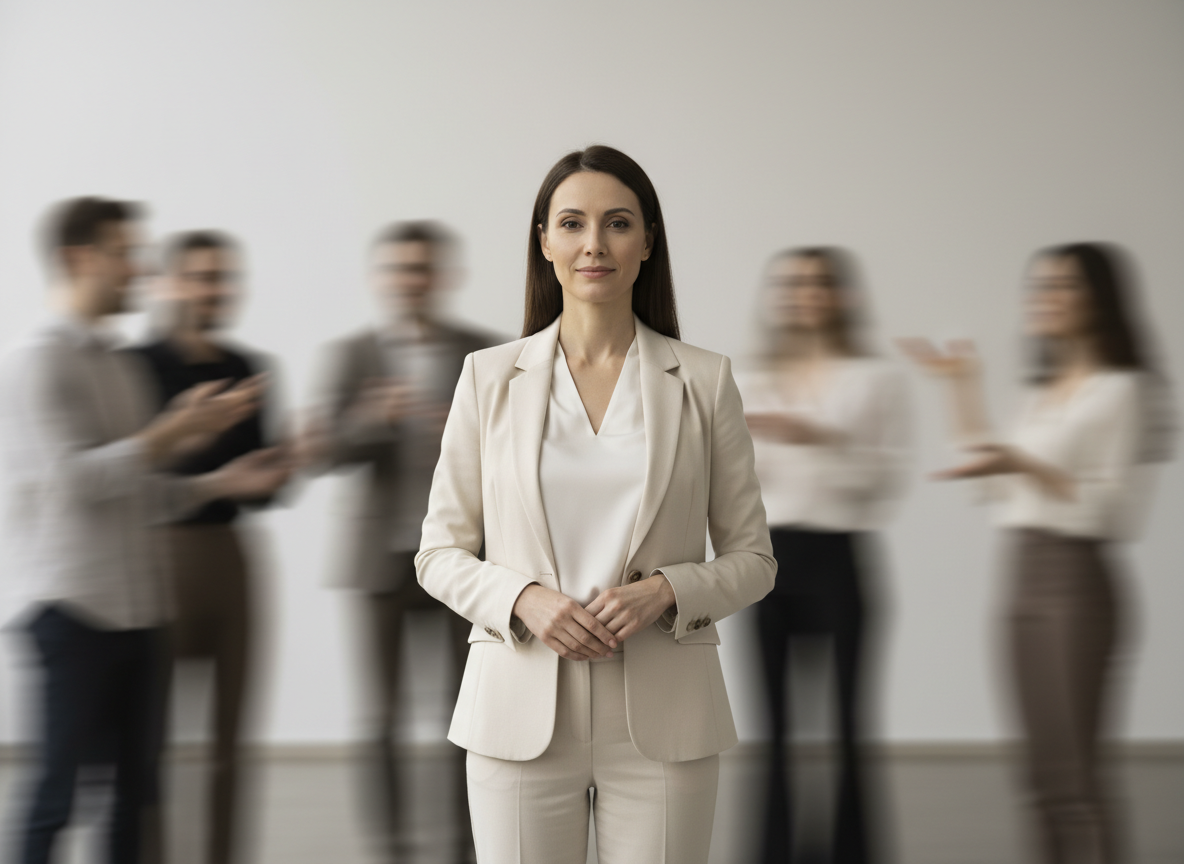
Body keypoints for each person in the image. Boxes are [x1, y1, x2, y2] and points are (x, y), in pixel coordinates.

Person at [415, 145, 777, 864]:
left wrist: (668, 590)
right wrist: (523, 598)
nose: (594, 244)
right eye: (572, 223)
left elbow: (755, 559)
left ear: (647, 242)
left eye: (617, 224)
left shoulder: (703, 381)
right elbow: (438, 553)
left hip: (666, 713)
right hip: (518, 709)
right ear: (544, 242)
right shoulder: (488, 379)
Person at [0, 198, 291, 864]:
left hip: (138, 611)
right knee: (58, 795)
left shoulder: (118, 365)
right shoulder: (35, 361)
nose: (138, 268)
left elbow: (139, 491)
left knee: (135, 796)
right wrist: (172, 431)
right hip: (69, 608)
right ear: (80, 258)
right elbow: (74, 482)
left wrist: (224, 481)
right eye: (124, 254)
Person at [899, 243, 1174, 864]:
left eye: (1062, 286)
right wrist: (960, 385)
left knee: (1077, 777)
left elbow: (1113, 509)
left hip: (1078, 581)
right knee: (1040, 777)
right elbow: (995, 480)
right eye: (1038, 286)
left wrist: (1024, 463)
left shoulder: (1123, 389)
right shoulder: (1045, 391)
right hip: (1020, 575)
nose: (1043, 298)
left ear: (1099, 299)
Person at [310, 221, 495, 863]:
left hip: (463, 563)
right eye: (399, 270)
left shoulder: (484, 353)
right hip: (376, 564)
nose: (411, 280)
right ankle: (388, 846)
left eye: (423, 269)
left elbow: (523, 450)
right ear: (381, 279)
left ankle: (464, 845)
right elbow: (321, 450)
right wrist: (372, 418)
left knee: (464, 714)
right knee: (380, 717)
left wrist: (465, 433)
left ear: (443, 277)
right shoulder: (352, 355)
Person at [740, 247, 909, 864]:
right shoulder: (752, 382)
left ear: (842, 296)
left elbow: (884, 479)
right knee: (774, 728)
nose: (803, 295)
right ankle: (772, 851)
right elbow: (737, 485)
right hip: (769, 561)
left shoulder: (874, 378)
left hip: (839, 556)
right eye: (791, 284)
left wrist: (820, 437)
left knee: (847, 725)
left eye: (817, 284)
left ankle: (854, 852)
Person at [127, 230, 282, 864]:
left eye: (223, 278)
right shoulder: (133, 368)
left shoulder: (244, 367)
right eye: (199, 277)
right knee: (151, 737)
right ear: (167, 284)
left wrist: (279, 471)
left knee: (229, 740)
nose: (213, 291)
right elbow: (130, 480)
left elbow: (259, 488)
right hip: (155, 558)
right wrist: (196, 452)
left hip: (230, 555)